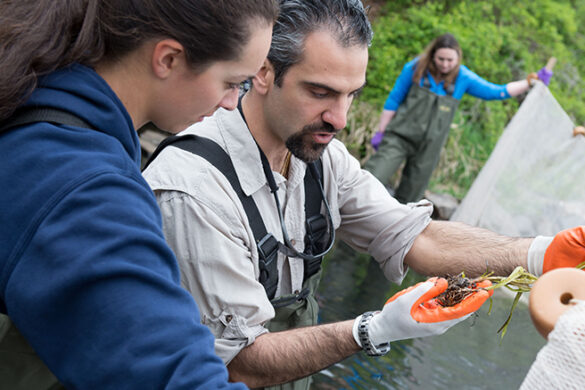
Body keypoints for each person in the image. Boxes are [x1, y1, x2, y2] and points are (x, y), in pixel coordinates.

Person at [143, 1, 585, 389]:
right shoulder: (194, 189)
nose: (339, 118)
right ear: (263, 71)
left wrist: (547, 254)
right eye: (321, 92)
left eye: (352, 95)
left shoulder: (321, 156)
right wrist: (373, 330)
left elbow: (418, 238)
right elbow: (238, 365)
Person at [0, 0, 278, 388]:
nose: (232, 103)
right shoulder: (85, 192)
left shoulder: (28, 84)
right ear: (168, 59)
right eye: (232, 83)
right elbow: (175, 375)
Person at [363, 33, 553, 204]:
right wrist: (381, 131)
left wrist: (529, 82)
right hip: (399, 138)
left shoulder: (463, 77)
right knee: (373, 176)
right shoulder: (415, 68)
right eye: (441, 59)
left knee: (410, 198)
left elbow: (497, 91)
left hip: (429, 149)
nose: (445, 64)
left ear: (457, 58)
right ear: (432, 55)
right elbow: (394, 99)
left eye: (450, 60)